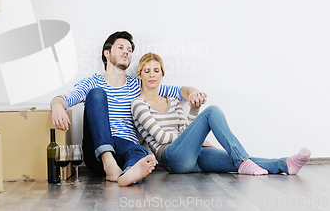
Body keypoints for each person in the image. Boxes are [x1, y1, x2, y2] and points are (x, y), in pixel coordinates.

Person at [50, 31, 207, 186]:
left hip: (125, 148)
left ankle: (127, 173)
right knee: (97, 94)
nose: (126, 52)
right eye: (121, 47)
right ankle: (108, 161)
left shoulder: (138, 85)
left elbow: (180, 91)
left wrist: (193, 93)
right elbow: (64, 98)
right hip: (97, 153)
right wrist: (57, 106)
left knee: (141, 153)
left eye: (130, 50)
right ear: (107, 53)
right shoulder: (93, 82)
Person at [132, 52, 311, 176]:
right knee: (212, 111)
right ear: (140, 75)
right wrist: (196, 137)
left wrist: (194, 111)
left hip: (194, 153)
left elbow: (187, 128)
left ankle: (286, 164)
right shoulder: (138, 103)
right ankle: (242, 160)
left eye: (156, 71)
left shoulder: (173, 101)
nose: (152, 75)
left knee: (234, 161)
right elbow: (161, 137)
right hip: (172, 159)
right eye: (146, 71)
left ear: (163, 74)